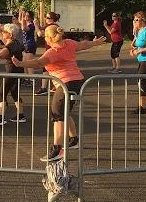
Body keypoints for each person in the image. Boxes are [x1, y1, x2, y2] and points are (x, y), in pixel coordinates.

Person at [12, 24, 107, 162]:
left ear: (49, 38)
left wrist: (20, 64)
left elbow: (38, 63)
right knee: (65, 112)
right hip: (77, 81)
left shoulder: (52, 52)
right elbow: (84, 45)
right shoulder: (69, 43)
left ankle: (57, 149)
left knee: (57, 115)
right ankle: (74, 140)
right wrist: (96, 43)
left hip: (66, 84)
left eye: (45, 36)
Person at [0, 22, 27, 127]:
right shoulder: (17, 43)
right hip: (19, 71)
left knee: (2, 93)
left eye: (4, 32)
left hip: (12, 72)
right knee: (14, 92)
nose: (3, 33)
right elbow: (6, 44)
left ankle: (0, 117)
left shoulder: (10, 46)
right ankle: (20, 115)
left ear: (10, 34)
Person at [129, 11, 146, 114]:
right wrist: (135, 49)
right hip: (142, 59)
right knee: (141, 81)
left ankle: (143, 106)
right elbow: (140, 45)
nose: (135, 22)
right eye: (134, 20)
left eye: (137, 20)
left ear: (143, 20)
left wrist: (139, 51)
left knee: (141, 81)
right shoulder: (140, 30)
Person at [34, 11, 61, 96]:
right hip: (54, 49)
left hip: (51, 50)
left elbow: (40, 34)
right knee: (52, 69)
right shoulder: (54, 26)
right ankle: (57, 86)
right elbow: (42, 29)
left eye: (47, 18)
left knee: (46, 68)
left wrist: (36, 25)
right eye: (46, 17)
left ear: (52, 19)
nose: (46, 19)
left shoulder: (50, 26)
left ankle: (44, 88)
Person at [19, 9, 38, 84]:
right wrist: (21, 13)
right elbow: (20, 21)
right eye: (25, 15)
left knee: (29, 63)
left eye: (27, 16)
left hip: (30, 45)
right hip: (25, 45)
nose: (25, 17)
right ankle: (27, 79)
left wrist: (23, 17)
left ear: (30, 17)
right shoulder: (25, 23)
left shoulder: (32, 25)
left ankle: (32, 79)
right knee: (24, 63)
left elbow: (24, 28)